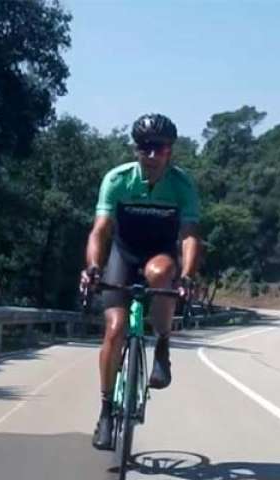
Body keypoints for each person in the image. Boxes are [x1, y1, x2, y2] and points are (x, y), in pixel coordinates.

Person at [80, 113, 202, 451]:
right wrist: (92, 267)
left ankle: (162, 343)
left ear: (170, 152)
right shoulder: (117, 180)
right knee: (115, 329)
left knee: (160, 275)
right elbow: (100, 230)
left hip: (159, 255)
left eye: (159, 148)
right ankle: (106, 411)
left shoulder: (181, 184)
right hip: (124, 254)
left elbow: (190, 235)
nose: (151, 155)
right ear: (136, 150)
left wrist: (188, 275)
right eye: (145, 148)